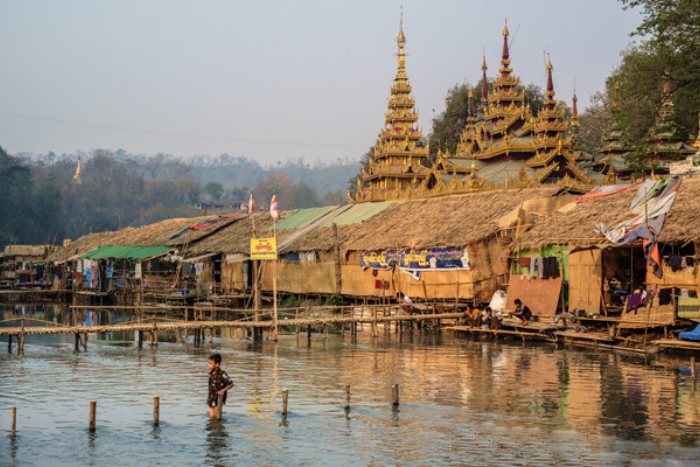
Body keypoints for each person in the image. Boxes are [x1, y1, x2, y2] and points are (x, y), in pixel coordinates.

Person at [207, 353, 235, 419]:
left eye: (211, 363)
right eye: (208, 363)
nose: (209, 365)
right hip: (211, 397)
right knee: (212, 418)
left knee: (218, 417)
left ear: (217, 365)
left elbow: (231, 384)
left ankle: (218, 428)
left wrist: (223, 390)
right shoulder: (210, 374)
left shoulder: (222, 373)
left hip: (218, 398)